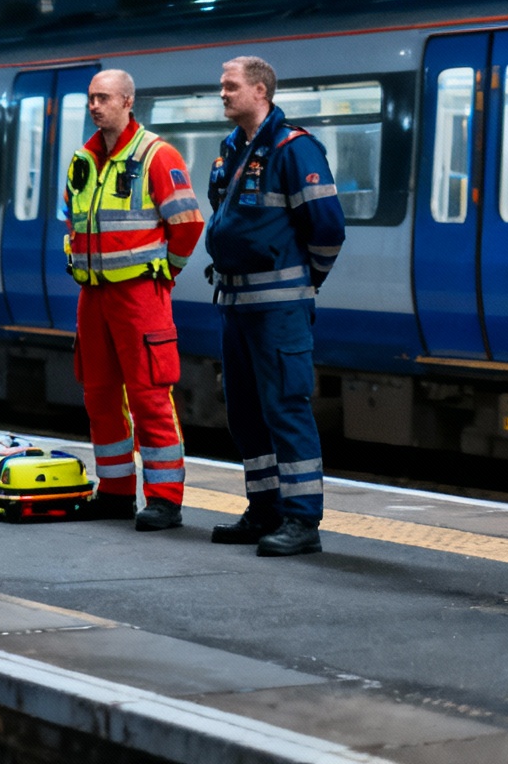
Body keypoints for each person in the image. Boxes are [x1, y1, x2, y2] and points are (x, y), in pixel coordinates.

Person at [204, 56, 345, 556]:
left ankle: (302, 521)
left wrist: (307, 280)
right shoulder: (232, 150)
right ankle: (264, 510)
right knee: (245, 413)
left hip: (278, 309)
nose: (223, 93)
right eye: (222, 86)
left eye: (231, 86)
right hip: (235, 305)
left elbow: (328, 228)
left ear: (260, 91)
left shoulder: (293, 148)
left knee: (285, 407)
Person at [64, 69, 205, 531]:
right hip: (93, 296)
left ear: (128, 102)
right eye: (91, 98)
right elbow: (73, 220)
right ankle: (116, 492)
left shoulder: (157, 155)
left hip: (141, 295)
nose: (94, 106)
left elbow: (188, 224)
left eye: (103, 98)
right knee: (99, 395)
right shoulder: (82, 160)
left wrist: (167, 271)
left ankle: (164, 499)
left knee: (149, 397)